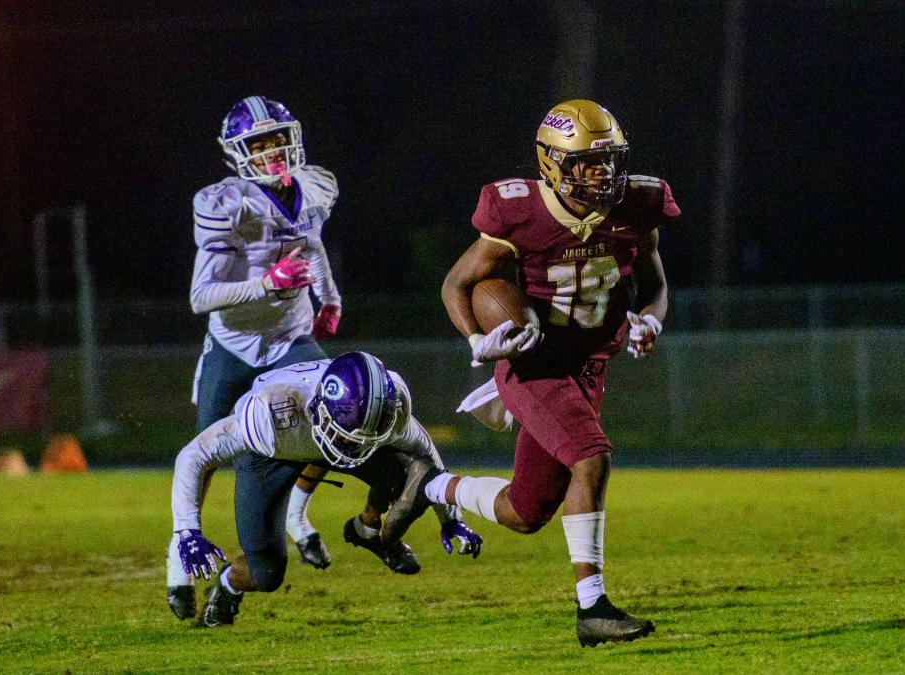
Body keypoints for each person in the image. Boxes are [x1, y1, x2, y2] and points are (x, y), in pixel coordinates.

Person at [391, 99, 679, 647]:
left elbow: (656, 286)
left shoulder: (638, 204)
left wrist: (650, 322)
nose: (604, 176)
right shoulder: (517, 210)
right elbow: (456, 285)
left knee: (525, 511)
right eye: (588, 165)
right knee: (592, 460)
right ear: (551, 164)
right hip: (534, 363)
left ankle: (430, 485)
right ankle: (592, 609)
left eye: (611, 162)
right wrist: (480, 341)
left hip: (590, 367)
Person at [167, 95, 344, 620]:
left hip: (289, 338)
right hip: (233, 345)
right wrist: (267, 282)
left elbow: (311, 244)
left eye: (276, 140)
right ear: (237, 154)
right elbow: (202, 297)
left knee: (337, 419)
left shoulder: (313, 186)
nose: (271, 153)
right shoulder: (227, 203)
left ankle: (296, 515)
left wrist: (329, 297)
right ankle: (179, 557)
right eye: (258, 145)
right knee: (206, 455)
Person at [170, 352, 483, 627]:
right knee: (266, 574)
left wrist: (450, 517)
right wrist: (186, 530)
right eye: (348, 438)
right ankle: (227, 585)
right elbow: (194, 454)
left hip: (316, 433)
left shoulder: (389, 406)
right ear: (319, 409)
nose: (354, 449)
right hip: (273, 454)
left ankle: (367, 529)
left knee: (409, 477)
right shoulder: (269, 413)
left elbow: (425, 454)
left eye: (366, 439)